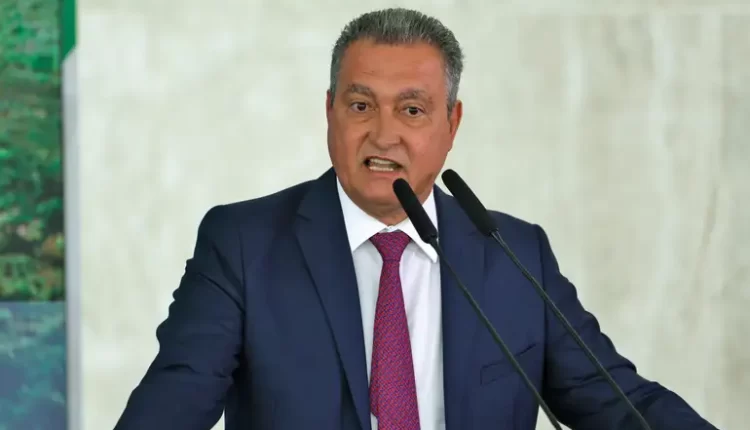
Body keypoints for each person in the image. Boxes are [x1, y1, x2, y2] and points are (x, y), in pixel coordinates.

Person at [115, 7, 718, 430]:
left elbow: (620, 404)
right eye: (360, 105)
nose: (384, 135)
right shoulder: (244, 245)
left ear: (452, 124)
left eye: (412, 110)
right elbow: (172, 405)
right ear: (329, 112)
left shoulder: (512, 252)